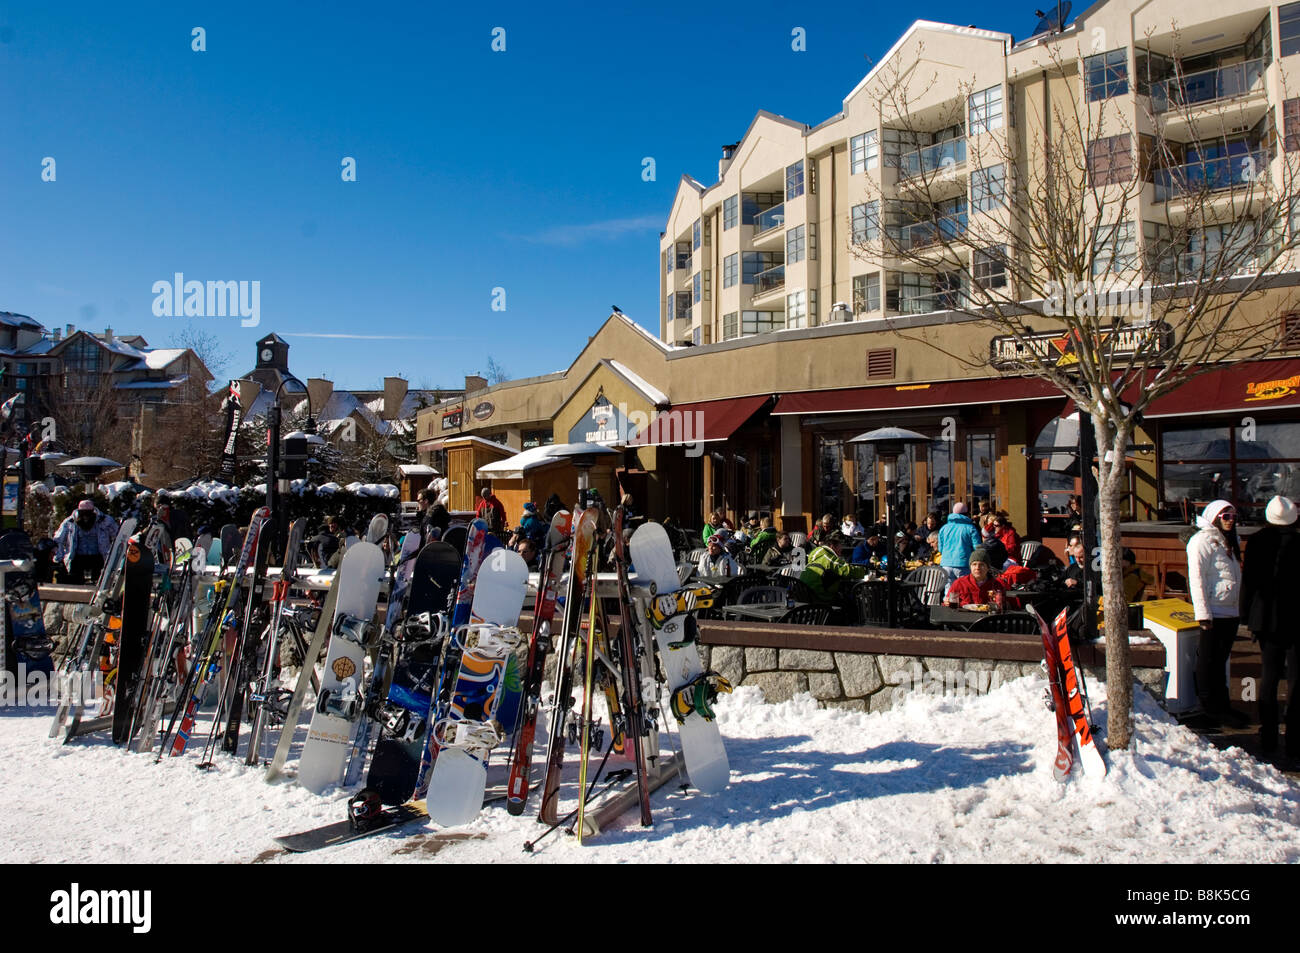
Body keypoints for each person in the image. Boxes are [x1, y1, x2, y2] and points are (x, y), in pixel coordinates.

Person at [1240, 495, 1300, 759]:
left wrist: (1245, 615)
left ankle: (1268, 734)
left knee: (1269, 675)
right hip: (1297, 619)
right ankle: (1295, 737)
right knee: (1297, 679)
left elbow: (1249, 582)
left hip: (1266, 618)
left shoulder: (1256, 542)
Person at [1187, 499, 1246, 726]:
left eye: (1233, 517)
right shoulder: (1201, 541)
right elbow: (1197, 579)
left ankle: (1223, 706)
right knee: (1208, 659)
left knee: (1221, 659)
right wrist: (1203, 614)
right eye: (1226, 516)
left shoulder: (1230, 540)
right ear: (1214, 517)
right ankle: (1209, 707)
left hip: (1230, 608)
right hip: (1214, 609)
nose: (1231, 521)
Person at [54, 499, 119, 584]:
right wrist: (59, 557)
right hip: (78, 557)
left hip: (98, 556)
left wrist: (115, 556)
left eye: (88, 513)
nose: (86, 517)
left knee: (100, 580)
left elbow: (117, 536)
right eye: (83, 513)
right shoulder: (70, 522)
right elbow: (59, 539)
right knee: (75, 580)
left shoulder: (105, 521)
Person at [799, 544, 867, 604]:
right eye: (840, 546)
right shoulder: (827, 557)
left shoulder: (815, 558)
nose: (842, 549)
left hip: (803, 597)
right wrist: (865, 571)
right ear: (832, 546)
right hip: (819, 599)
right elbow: (847, 570)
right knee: (850, 603)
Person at [937, 502, 981, 584]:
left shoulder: (944, 528)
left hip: (946, 564)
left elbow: (940, 548)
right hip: (964, 564)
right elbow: (977, 548)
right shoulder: (971, 528)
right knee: (964, 590)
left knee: (949, 592)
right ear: (966, 513)